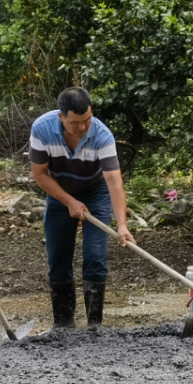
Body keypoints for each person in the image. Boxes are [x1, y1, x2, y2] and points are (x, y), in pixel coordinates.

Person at [30, 87, 135, 328]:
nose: (83, 127)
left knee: (95, 256)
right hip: (59, 191)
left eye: (87, 119)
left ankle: (94, 326)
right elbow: (39, 174)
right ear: (62, 117)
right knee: (58, 257)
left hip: (95, 191)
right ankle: (63, 325)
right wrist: (69, 201)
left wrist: (122, 225)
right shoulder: (42, 129)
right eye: (76, 122)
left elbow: (113, 181)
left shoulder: (102, 135)